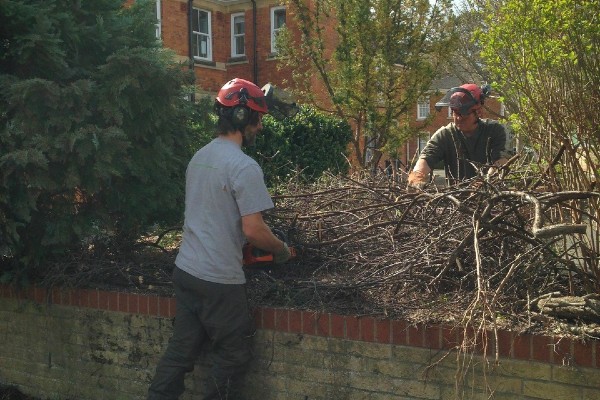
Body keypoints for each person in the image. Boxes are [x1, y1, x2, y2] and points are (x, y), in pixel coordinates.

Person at [147, 78, 293, 400]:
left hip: (186, 271)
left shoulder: (199, 157)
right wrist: (281, 250)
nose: (260, 127)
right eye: (258, 118)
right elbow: (254, 230)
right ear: (244, 117)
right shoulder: (243, 166)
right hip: (220, 283)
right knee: (232, 357)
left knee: (180, 354)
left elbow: (211, 215)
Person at [407, 83, 510, 189]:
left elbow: (501, 162)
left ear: (479, 112)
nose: (458, 118)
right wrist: (417, 178)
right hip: (455, 199)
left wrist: (484, 183)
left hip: (491, 197)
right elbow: (425, 159)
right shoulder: (445, 134)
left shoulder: (494, 130)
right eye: (454, 112)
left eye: (464, 113)